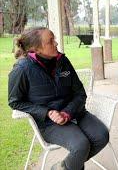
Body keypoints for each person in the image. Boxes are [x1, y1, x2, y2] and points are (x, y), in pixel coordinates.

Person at [8, 27, 109, 170]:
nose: (56, 43)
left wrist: (67, 113)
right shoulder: (22, 69)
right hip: (49, 123)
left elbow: (80, 93)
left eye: (54, 39)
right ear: (36, 49)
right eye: (51, 41)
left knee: (101, 136)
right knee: (81, 145)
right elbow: (15, 102)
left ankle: (63, 167)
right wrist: (47, 112)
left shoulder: (62, 60)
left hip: (75, 113)